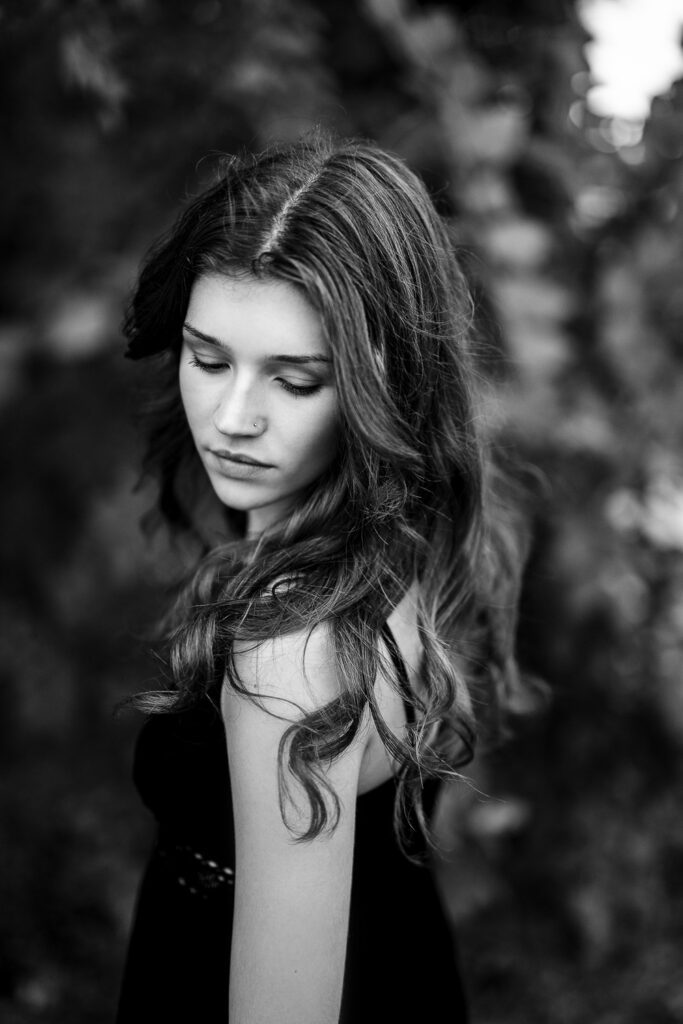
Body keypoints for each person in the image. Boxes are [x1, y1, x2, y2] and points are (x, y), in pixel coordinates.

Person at [116, 132, 527, 1024]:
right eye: (207, 358)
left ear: (385, 383)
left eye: (295, 381)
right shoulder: (394, 532)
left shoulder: (290, 653)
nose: (231, 418)